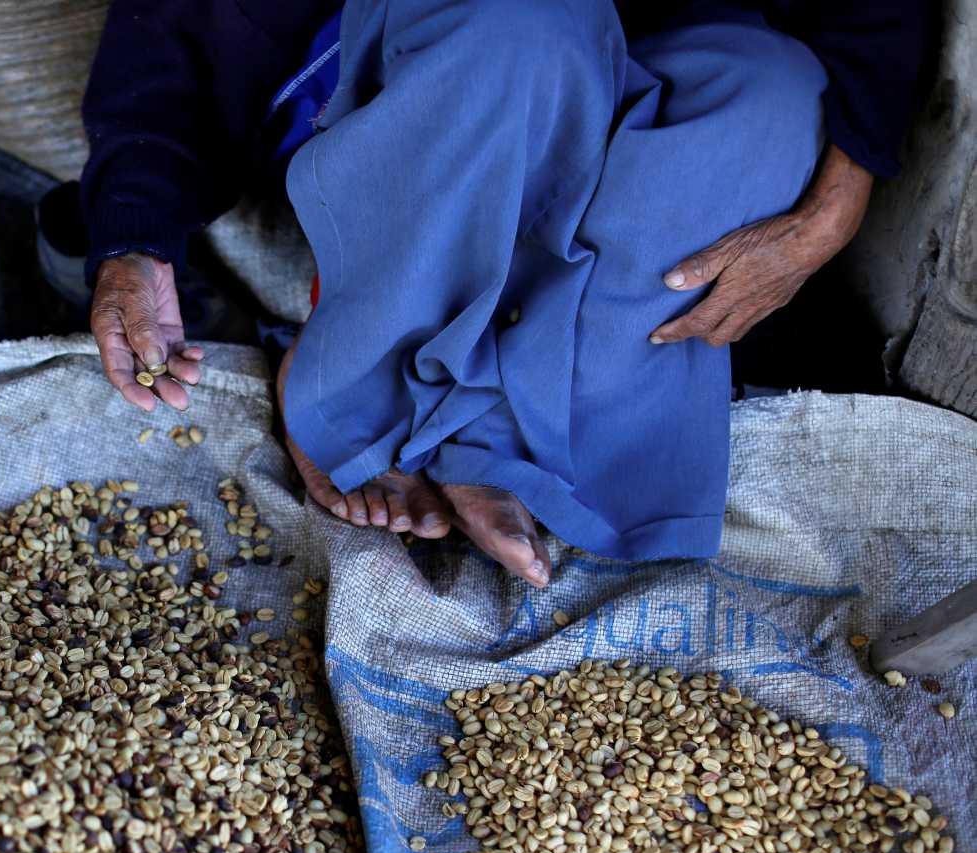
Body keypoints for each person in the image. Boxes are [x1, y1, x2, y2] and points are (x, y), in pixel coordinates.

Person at [80, 0, 928, 587]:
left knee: (773, 94)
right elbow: (173, 34)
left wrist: (832, 214)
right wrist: (136, 234)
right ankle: (371, 380)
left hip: (661, 38)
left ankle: (495, 434)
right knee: (526, 22)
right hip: (439, 64)